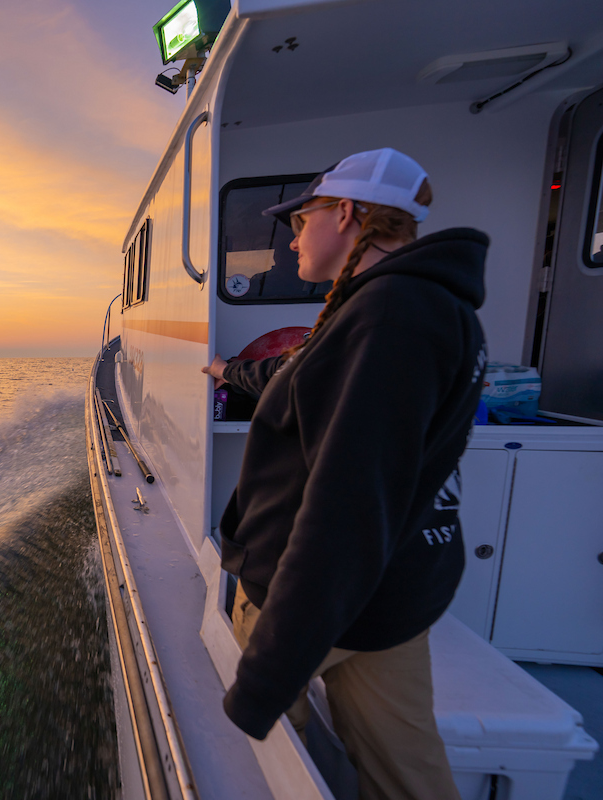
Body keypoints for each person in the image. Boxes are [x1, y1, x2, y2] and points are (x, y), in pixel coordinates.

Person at [203, 148, 488, 800]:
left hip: (314, 603)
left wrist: (265, 682)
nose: (294, 238)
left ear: (348, 212)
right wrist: (227, 373)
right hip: (389, 602)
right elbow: (292, 374)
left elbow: (346, 507)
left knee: (275, 773)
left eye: (301, 221)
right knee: (409, 775)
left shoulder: (389, 316)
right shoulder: (423, 307)